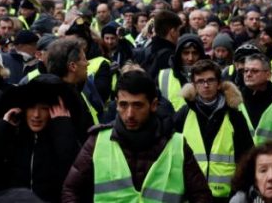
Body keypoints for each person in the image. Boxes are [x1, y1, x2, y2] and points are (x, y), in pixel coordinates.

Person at [61, 70, 213, 202]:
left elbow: (201, 195)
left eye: (137, 105)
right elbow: (71, 190)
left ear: (153, 105)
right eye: (123, 105)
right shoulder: (98, 141)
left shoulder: (177, 145)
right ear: (116, 103)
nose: (129, 114)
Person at [0, 75, 79, 203]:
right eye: (31, 107)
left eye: (44, 108)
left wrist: (63, 129)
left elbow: (74, 175)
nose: (36, 115)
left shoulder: (64, 137)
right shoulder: (13, 136)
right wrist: (2, 126)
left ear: (55, 110)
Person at [175, 59, 253, 201]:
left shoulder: (234, 116)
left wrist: (240, 192)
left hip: (226, 197)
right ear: (193, 85)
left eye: (210, 80)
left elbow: (247, 157)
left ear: (218, 84)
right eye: (200, 81)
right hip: (192, 196)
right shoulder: (183, 115)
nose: (206, 85)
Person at [157, 34, 207, 111]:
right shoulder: (164, 76)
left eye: (195, 53)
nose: (190, 58)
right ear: (179, 55)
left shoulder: (211, 76)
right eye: (186, 53)